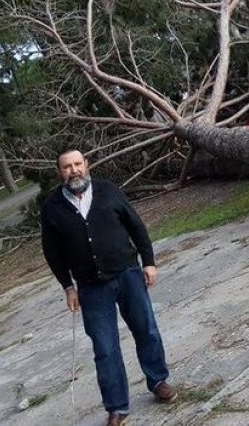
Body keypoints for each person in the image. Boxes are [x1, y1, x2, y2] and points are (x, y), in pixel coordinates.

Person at [41, 149, 177, 426]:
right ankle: (117, 407)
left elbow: (136, 226)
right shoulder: (52, 207)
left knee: (146, 330)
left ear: (86, 165)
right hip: (91, 288)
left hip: (128, 274)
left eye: (78, 164)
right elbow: (52, 252)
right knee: (105, 348)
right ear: (60, 172)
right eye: (67, 167)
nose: (74, 170)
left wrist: (148, 262)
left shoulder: (108, 190)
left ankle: (158, 381)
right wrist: (68, 286)